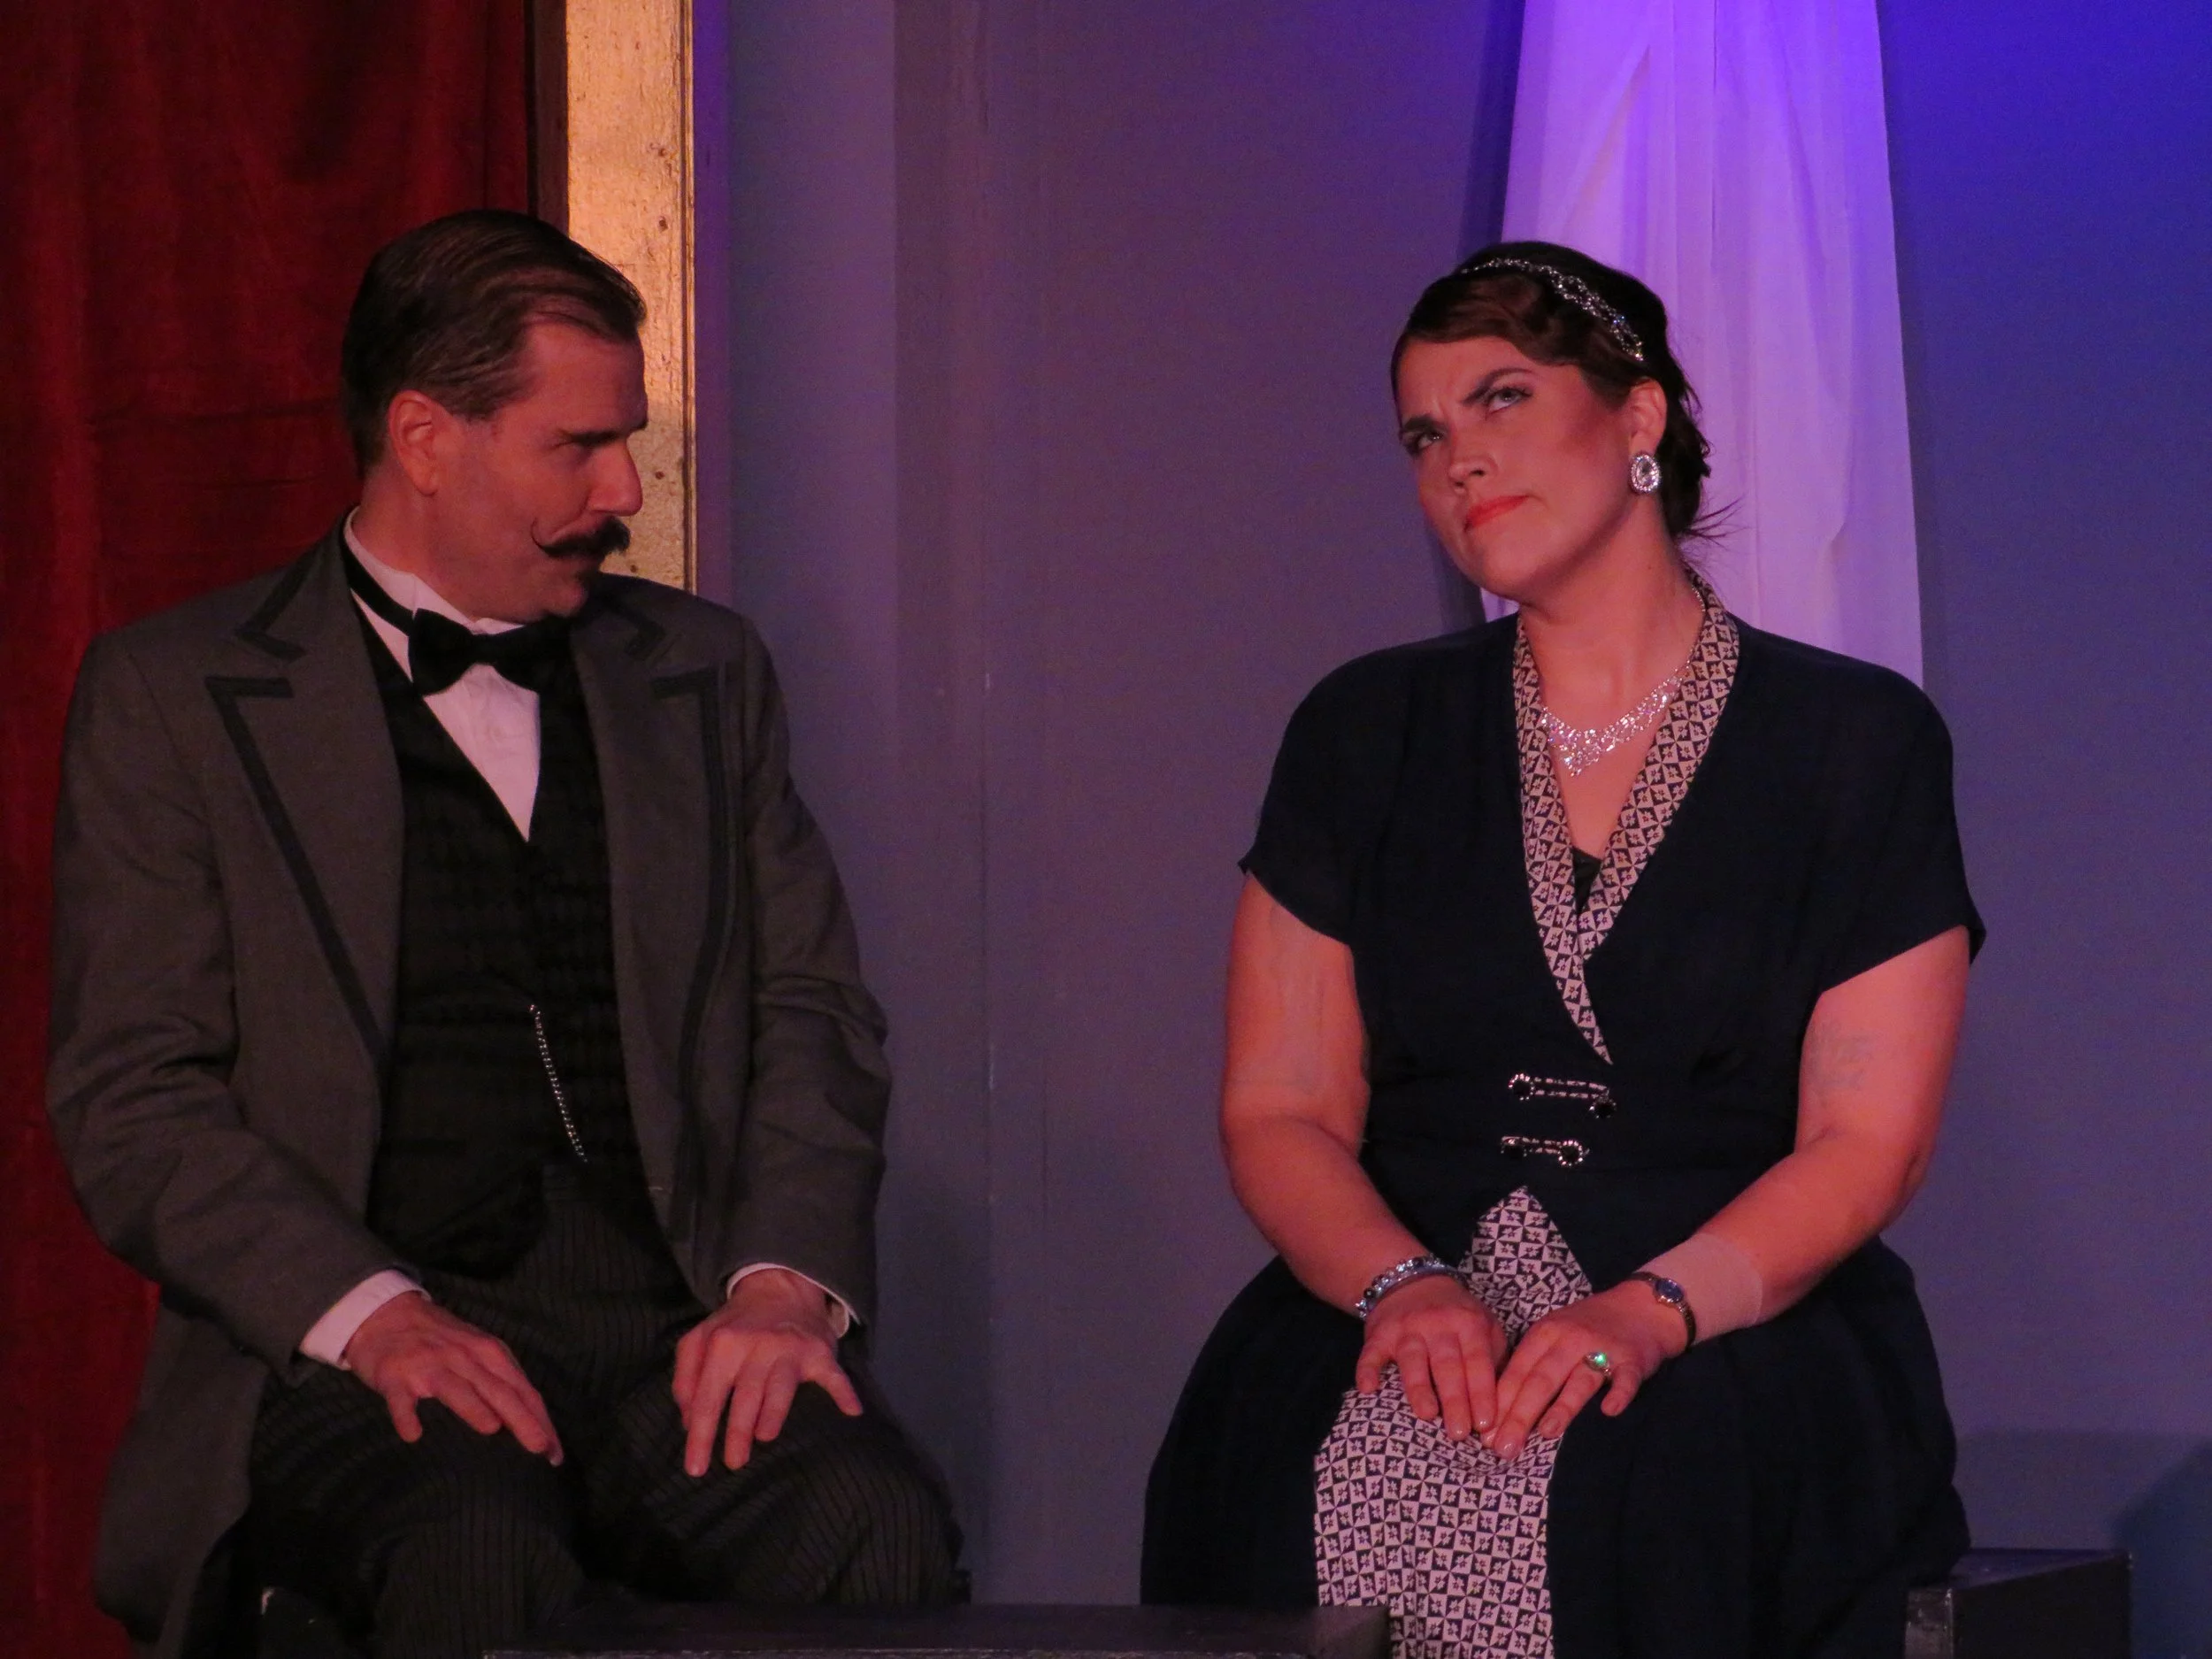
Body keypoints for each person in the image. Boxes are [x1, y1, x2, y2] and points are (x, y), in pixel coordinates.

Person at [48, 210, 960, 1659]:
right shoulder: (176, 696)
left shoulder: (702, 671)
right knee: (474, 1547)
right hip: (363, 1336)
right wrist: (372, 1314)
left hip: (675, 1318)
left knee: (870, 1517)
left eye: (627, 442)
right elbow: (132, 1093)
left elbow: (812, 1011)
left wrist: (784, 1286)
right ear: (426, 437)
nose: (625, 488)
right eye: (579, 446)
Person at [1141, 242, 1979, 1657]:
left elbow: (1867, 1142)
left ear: (1639, 416)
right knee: (1303, 1465)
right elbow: (1280, 1105)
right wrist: (1403, 1287)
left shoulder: (1852, 740)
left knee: (1650, 1488)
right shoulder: (1364, 729)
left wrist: (1653, 1311)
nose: (1458, 460)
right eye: (1423, 434)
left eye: (1502, 399)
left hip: (1722, 1314)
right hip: (1396, 1286)